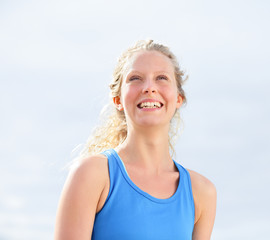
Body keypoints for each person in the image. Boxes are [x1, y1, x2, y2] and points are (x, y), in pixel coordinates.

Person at [54, 40, 217, 240]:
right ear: (118, 100)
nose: (149, 87)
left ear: (178, 99)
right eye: (136, 78)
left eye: (162, 78)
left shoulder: (201, 192)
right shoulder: (92, 175)